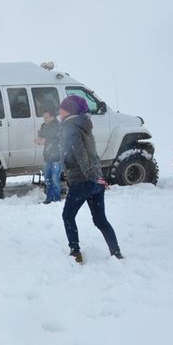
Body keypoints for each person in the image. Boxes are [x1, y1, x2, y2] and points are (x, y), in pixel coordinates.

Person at [59, 95, 123, 263]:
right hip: (95, 181)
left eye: (62, 108)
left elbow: (81, 155)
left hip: (83, 181)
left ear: (70, 110)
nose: (59, 111)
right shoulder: (84, 125)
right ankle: (116, 253)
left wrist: (92, 176)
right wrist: (99, 177)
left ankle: (75, 253)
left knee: (68, 216)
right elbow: (92, 154)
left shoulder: (70, 128)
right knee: (100, 220)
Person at [35, 108, 62, 203]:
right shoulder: (43, 126)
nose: (44, 119)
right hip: (47, 156)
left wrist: (47, 141)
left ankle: (57, 199)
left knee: (55, 179)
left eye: (46, 117)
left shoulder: (58, 126)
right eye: (44, 117)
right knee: (47, 179)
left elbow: (60, 140)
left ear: (52, 117)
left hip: (57, 157)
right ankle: (49, 198)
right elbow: (41, 138)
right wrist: (38, 141)